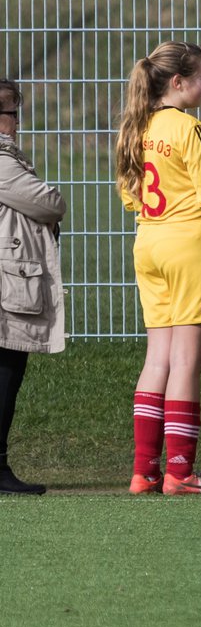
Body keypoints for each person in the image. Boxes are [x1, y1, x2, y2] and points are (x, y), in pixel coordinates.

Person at [115, 43, 201, 496]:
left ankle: (144, 471)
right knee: (185, 363)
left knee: (157, 359)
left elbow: (130, 197)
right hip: (190, 246)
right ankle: (180, 472)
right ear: (177, 83)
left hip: (149, 243)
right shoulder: (189, 128)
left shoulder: (135, 128)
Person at [0, 78, 64, 495]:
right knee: (6, 370)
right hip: (9, 283)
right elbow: (50, 202)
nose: (17, 120)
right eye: (10, 111)